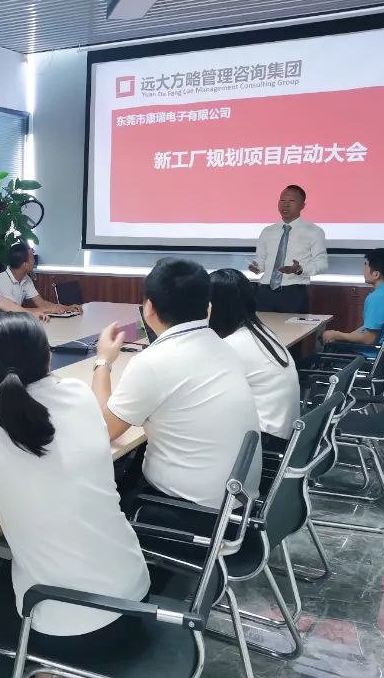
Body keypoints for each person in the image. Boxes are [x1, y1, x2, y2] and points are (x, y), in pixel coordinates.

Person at [0, 313, 150, 678]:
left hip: (76, 630)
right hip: (137, 599)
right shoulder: (79, 394)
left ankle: (44, 672)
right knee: (4, 575)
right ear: (48, 359)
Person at [91, 258, 261, 510]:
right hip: (238, 504)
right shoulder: (224, 347)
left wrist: (103, 360)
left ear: (149, 308)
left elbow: (102, 431)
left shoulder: (154, 362)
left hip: (192, 512)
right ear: (208, 308)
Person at [210, 269, 300, 453]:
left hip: (264, 442)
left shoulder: (232, 345)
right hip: (284, 434)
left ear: (215, 307)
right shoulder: (260, 331)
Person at [249, 185, 328, 314]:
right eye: (282, 200)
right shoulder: (268, 231)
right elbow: (261, 261)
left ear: (303, 205)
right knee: (262, 327)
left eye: (291, 201)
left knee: (293, 327)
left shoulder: (314, 232)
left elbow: (322, 264)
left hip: (293, 293)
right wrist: (256, 267)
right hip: (264, 291)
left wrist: (299, 269)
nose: (285, 205)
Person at [320, 248, 384, 359]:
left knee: (314, 355)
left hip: (370, 355)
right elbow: (369, 329)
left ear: (376, 274)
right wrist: (343, 335)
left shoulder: (377, 298)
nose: (364, 269)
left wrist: (336, 335)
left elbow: (368, 339)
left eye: (366, 265)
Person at [0, 242, 82, 316]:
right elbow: (14, 311)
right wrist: (47, 310)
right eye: (32, 258)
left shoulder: (26, 279)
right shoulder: (2, 281)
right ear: (24, 264)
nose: (34, 261)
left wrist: (67, 308)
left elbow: (41, 303)